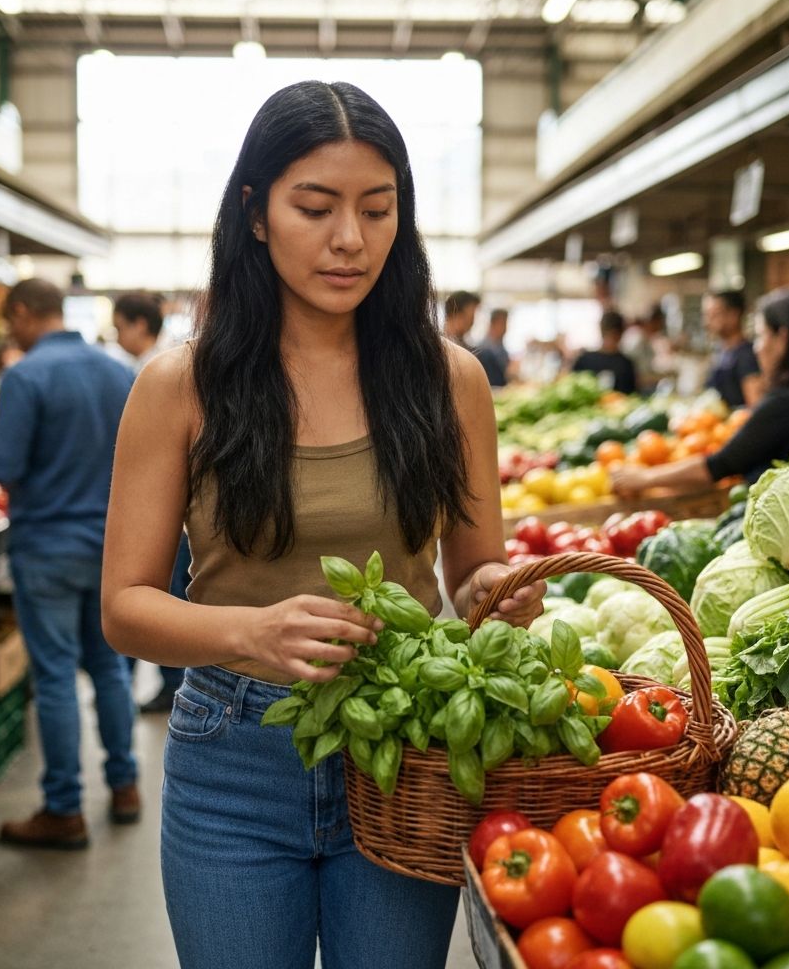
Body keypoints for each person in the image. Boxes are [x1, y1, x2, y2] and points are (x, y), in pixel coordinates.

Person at [100, 80, 544, 969]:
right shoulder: (179, 386)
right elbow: (125, 606)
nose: (350, 239)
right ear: (256, 213)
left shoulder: (450, 381)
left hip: (404, 750)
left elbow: (473, 573)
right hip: (233, 755)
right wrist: (250, 633)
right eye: (316, 206)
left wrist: (502, 594)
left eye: (378, 210)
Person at [0, 278, 140, 849]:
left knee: (54, 678)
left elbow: (5, 463)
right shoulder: (118, 371)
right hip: (110, 548)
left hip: (47, 546)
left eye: (9, 321)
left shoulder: (25, 376)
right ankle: (126, 787)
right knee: (109, 669)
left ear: (23, 313)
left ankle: (64, 808)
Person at [613, 288, 789, 494]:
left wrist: (643, 478)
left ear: (782, 338)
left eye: (761, 335)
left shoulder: (788, 402)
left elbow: (721, 464)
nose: (756, 348)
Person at [112, 291, 188, 714]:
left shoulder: (164, 374)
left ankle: (172, 681)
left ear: (140, 325)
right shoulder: (149, 369)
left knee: (175, 595)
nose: (118, 336)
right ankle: (170, 681)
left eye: (120, 326)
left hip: (177, 520)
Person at [702, 290, 763, 409]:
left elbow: (755, 405)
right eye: (706, 315)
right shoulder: (721, 351)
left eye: (714, 315)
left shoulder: (747, 355)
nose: (707, 321)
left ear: (733, 315)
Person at [572, 310, 638, 394]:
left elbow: (631, 395)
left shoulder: (625, 364)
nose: (610, 340)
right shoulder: (584, 360)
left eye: (614, 335)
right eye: (610, 335)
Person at [112, 291, 170, 371]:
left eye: (119, 329)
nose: (117, 339)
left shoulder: (164, 366)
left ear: (140, 326)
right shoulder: (139, 363)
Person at [474, 307, 512, 387]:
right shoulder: (483, 349)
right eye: (503, 323)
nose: (505, 328)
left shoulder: (501, 347)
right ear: (493, 324)